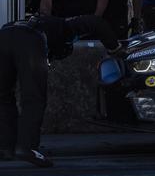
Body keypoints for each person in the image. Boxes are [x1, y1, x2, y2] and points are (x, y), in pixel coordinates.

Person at [0, 14, 121, 167]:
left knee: (3, 96)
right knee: (34, 98)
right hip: (30, 39)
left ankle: (5, 147)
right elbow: (97, 22)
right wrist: (115, 48)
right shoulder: (67, 27)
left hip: (3, 36)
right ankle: (27, 147)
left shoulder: (46, 25)